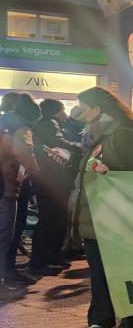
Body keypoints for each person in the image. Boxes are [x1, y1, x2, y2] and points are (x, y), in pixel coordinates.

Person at [70, 87, 133, 328]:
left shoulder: (124, 133)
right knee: (97, 268)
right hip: (94, 211)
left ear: (99, 108)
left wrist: (110, 170)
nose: (80, 113)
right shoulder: (94, 135)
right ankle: (101, 317)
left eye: (84, 108)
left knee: (122, 267)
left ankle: (132, 318)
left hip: (117, 212)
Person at [28, 99, 77, 276]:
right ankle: (42, 260)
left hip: (47, 179)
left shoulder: (44, 123)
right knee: (52, 218)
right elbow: (59, 142)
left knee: (52, 219)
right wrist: (80, 148)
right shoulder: (50, 123)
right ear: (57, 111)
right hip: (52, 180)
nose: (66, 114)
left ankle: (48, 258)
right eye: (63, 110)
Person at [0, 124, 37, 298]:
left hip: (6, 189)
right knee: (4, 238)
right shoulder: (18, 130)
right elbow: (25, 159)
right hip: (6, 191)